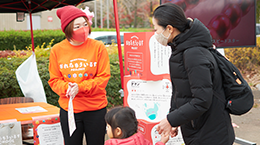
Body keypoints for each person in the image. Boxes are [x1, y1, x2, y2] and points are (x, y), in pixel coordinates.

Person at [152, 3, 235, 145]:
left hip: (211, 134)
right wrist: (174, 119)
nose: (155, 34)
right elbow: (181, 92)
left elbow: (202, 100)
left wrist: (170, 120)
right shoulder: (182, 49)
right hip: (199, 129)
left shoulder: (193, 53)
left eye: (156, 29)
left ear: (170, 29)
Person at [48, 5, 110, 145]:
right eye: (77, 26)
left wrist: (80, 87)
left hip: (96, 109)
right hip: (69, 110)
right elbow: (54, 80)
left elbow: (103, 77)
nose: (83, 29)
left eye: (85, 24)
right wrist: (67, 88)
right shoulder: (57, 50)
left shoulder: (98, 47)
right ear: (67, 29)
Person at [104, 106, 169, 145]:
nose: (106, 129)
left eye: (108, 126)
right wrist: (162, 142)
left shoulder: (110, 144)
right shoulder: (141, 141)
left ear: (118, 131)